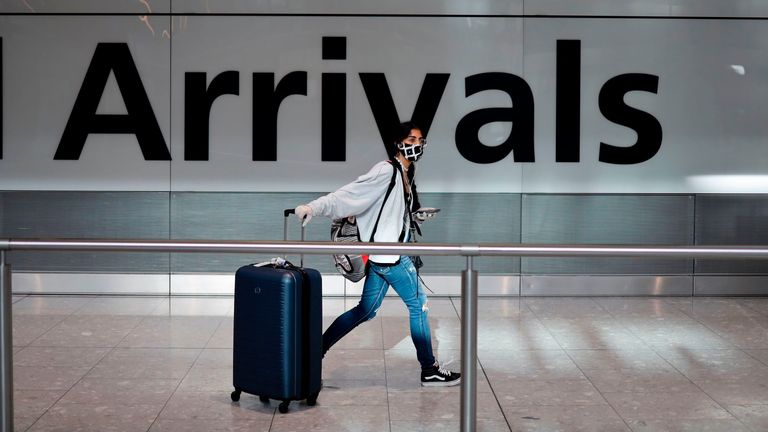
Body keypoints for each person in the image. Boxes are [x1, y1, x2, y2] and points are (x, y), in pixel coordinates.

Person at [293, 121, 461, 387]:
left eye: (420, 140)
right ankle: (429, 369)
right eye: (411, 139)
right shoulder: (386, 171)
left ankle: (315, 350)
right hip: (393, 257)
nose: (417, 145)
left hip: (383, 258)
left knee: (365, 310)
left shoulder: (407, 172)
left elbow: (389, 212)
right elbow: (348, 194)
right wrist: (312, 207)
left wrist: (414, 216)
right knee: (419, 306)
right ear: (398, 142)